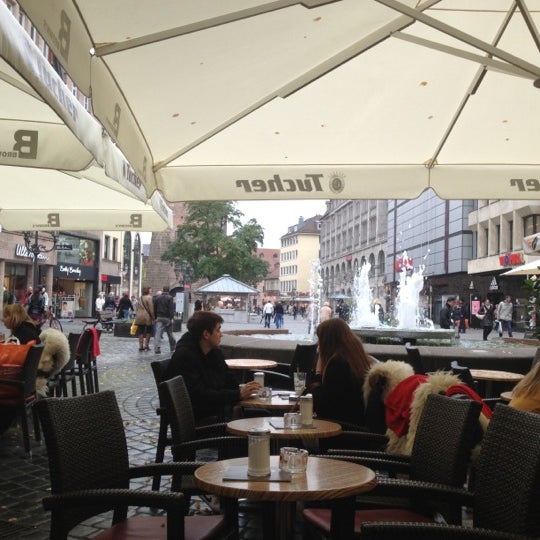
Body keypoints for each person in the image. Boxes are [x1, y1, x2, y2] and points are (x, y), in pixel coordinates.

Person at [164, 311, 260, 422]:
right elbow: (200, 396)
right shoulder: (185, 357)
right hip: (202, 418)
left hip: (218, 412)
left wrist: (244, 389)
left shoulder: (213, 352)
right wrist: (237, 394)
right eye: (218, 330)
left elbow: (228, 378)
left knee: (262, 416)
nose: (221, 334)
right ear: (206, 334)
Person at [308, 318, 374, 426]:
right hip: (356, 424)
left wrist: (318, 372)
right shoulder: (355, 360)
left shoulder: (337, 365)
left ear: (328, 341)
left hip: (340, 429)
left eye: (320, 339)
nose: (318, 343)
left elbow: (320, 406)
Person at [153, 285, 176, 354]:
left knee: (158, 333)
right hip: (167, 318)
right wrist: (172, 318)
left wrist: (155, 317)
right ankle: (173, 347)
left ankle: (157, 348)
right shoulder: (170, 297)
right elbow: (171, 309)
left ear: (163, 290)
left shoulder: (158, 298)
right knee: (170, 333)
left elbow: (155, 308)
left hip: (159, 317)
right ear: (168, 290)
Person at [134, 286, 154, 351]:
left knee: (141, 331)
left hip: (139, 316)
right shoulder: (149, 298)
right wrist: (153, 317)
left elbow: (137, 307)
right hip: (147, 316)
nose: (151, 291)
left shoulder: (140, 298)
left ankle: (140, 346)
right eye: (150, 290)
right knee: (149, 331)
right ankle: (146, 345)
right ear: (147, 291)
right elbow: (151, 309)